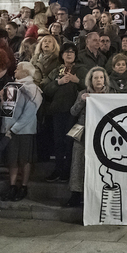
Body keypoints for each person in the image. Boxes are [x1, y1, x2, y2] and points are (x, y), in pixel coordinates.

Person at [66, 67, 112, 207]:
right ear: (90, 80)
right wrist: (81, 100)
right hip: (83, 133)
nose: (98, 80)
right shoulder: (83, 93)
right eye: (95, 78)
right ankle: (75, 194)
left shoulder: (111, 94)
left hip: (103, 135)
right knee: (78, 163)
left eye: (101, 77)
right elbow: (73, 112)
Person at [42, 43, 85, 184]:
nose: (69, 54)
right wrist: (58, 82)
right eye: (66, 52)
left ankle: (68, 171)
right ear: (62, 55)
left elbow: (91, 84)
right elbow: (45, 89)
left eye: (72, 52)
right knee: (58, 141)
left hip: (75, 113)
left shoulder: (81, 69)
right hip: (58, 111)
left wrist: (77, 80)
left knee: (70, 142)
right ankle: (58, 169)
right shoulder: (56, 71)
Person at [1, 62, 43, 202]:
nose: (15, 70)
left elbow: (30, 112)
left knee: (25, 159)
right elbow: (7, 108)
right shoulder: (11, 86)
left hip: (24, 130)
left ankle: (23, 186)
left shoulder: (33, 89)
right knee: (12, 159)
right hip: (10, 130)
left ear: (26, 72)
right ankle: (13, 186)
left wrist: (14, 128)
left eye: (18, 68)